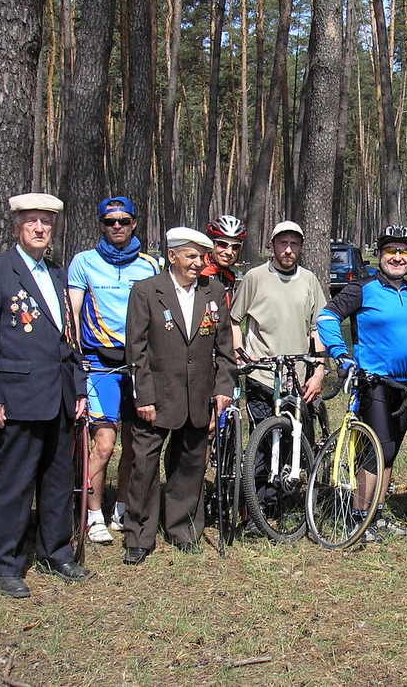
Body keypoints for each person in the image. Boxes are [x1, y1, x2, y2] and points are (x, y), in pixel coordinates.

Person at [0, 193, 89, 598]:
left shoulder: (56, 273)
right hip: (18, 397)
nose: (40, 228)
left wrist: (78, 388)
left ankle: (56, 552)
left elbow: (68, 338)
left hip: (60, 397)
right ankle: (6, 563)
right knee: (14, 484)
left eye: (46, 222)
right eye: (32, 221)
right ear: (17, 225)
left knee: (58, 481)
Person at [122, 227, 234, 564]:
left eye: (202, 256)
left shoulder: (213, 290)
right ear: (172, 256)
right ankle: (139, 535)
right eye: (191, 256)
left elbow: (224, 346)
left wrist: (223, 388)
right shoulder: (146, 291)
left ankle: (182, 528)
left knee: (190, 464)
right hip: (157, 396)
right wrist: (143, 396)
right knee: (144, 466)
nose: (198, 263)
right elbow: (136, 349)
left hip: (198, 395)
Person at [317, 225, 407, 542]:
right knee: (376, 452)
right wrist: (341, 354)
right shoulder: (362, 288)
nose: (397, 257)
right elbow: (326, 317)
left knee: (390, 453)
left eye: (404, 252)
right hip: (372, 382)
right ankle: (358, 517)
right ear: (379, 255)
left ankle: (376, 512)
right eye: (391, 251)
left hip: (404, 385)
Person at [67, 196, 160, 543]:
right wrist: (75, 359)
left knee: (134, 445)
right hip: (98, 364)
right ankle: (93, 514)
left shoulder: (149, 265)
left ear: (134, 223)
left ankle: (122, 507)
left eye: (123, 220)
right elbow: (73, 314)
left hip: (136, 365)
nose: (117, 226)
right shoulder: (84, 262)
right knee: (104, 444)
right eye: (110, 221)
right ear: (101, 225)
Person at [231, 220, 327, 421]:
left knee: (297, 437)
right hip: (261, 375)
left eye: (294, 244)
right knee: (263, 438)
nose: (288, 250)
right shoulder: (255, 277)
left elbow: (317, 329)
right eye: (283, 243)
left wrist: (318, 372)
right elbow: (234, 320)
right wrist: (241, 354)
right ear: (272, 244)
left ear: (300, 247)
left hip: (297, 377)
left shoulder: (309, 280)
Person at [202, 214, 247, 306]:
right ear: (211, 244)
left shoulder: (229, 276)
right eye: (222, 244)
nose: (229, 252)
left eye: (235, 247)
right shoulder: (197, 272)